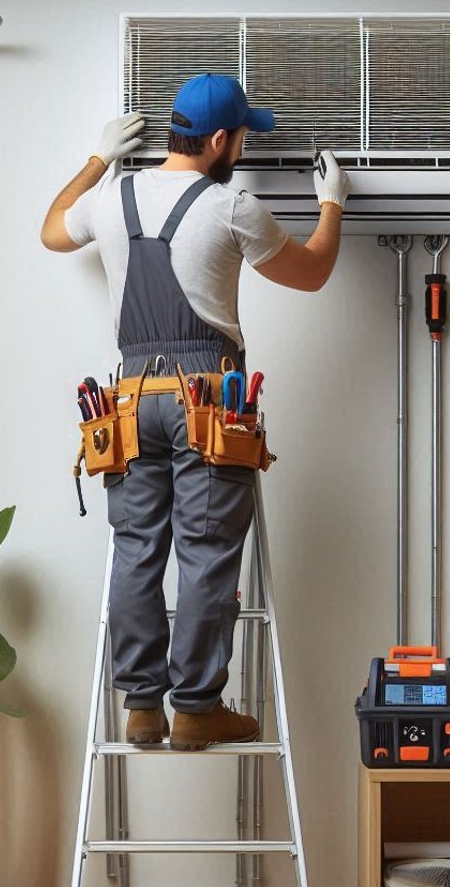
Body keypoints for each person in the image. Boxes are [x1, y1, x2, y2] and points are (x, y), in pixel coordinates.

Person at [40, 73, 348, 750]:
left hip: (128, 398)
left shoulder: (112, 197)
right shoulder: (231, 206)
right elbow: (315, 269)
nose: (243, 147)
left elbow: (51, 230)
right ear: (217, 140)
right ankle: (197, 708)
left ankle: (142, 704)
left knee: (136, 546)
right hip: (208, 397)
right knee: (206, 552)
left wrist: (97, 160)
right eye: (241, 136)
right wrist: (331, 204)